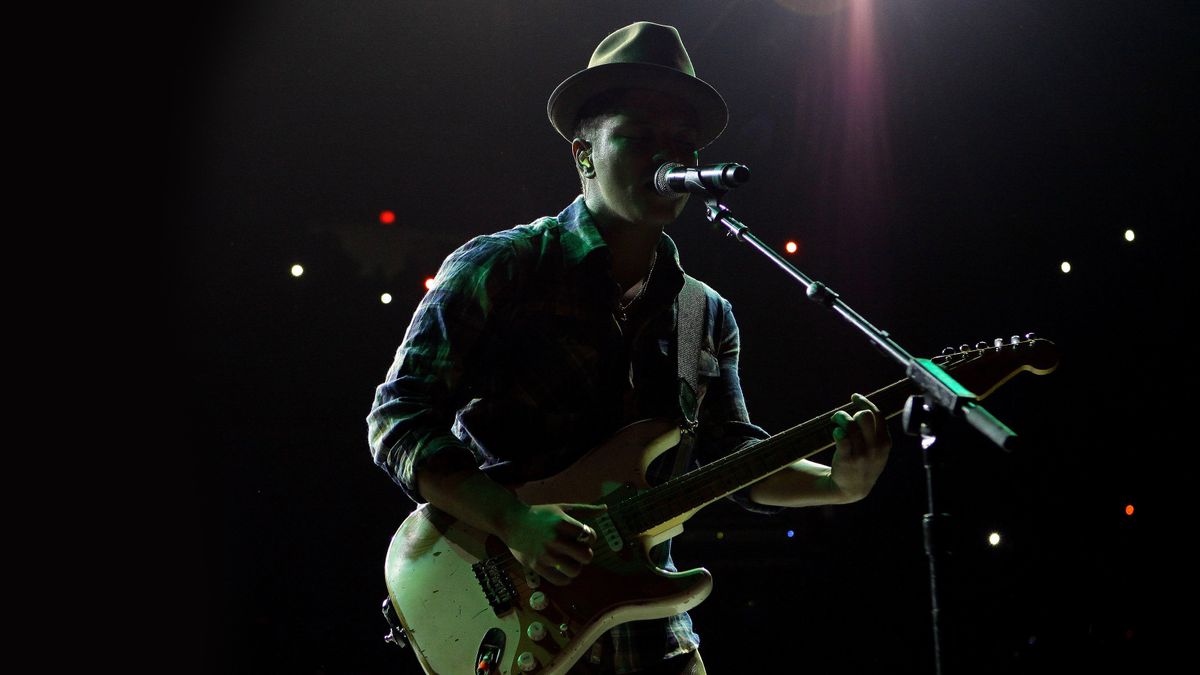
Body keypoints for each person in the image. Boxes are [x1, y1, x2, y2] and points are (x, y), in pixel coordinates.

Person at [367, 21, 891, 675]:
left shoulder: (705, 313)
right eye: (640, 137)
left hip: (653, 636)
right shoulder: (504, 267)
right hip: (514, 614)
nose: (665, 155)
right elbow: (396, 420)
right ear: (584, 153)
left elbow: (734, 461)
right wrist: (515, 523)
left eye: (682, 143)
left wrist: (837, 485)